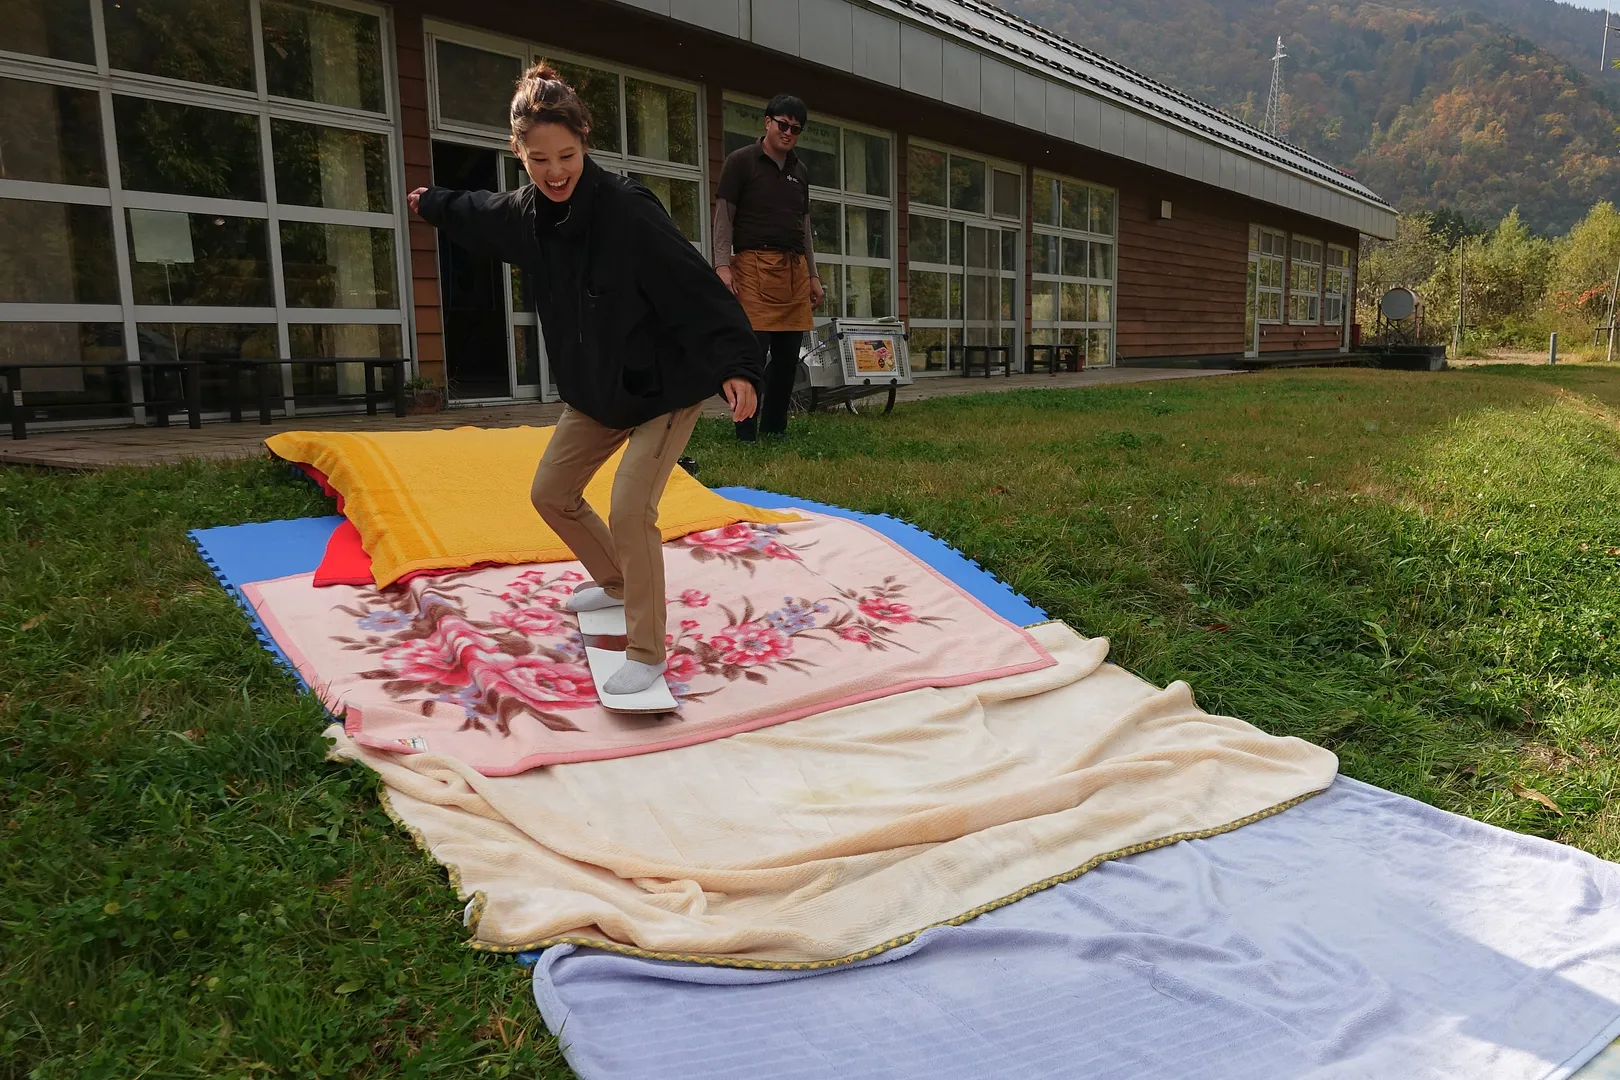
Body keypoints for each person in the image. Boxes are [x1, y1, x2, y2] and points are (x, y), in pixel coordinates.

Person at [407, 62, 761, 699]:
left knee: (630, 508)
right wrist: (433, 203)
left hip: (664, 387)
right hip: (598, 390)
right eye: (539, 160)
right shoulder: (527, 215)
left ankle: (646, 652)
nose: (555, 172)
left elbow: (695, 287)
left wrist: (738, 365)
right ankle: (617, 582)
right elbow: (480, 211)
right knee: (551, 493)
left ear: (585, 141)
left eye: (566, 156)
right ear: (520, 155)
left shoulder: (627, 210)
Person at [712, 94, 825, 441]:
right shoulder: (741, 161)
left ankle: (775, 429)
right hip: (752, 268)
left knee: (788, 358)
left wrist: (813, 275)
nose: (788, 132)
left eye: (796, 129)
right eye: (783, 124)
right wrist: (722, 265)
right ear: (767, 122)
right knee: (752, 356)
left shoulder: (800, 171)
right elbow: (724, 217)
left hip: (794, 270)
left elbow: (804, 228)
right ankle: (745, 430)